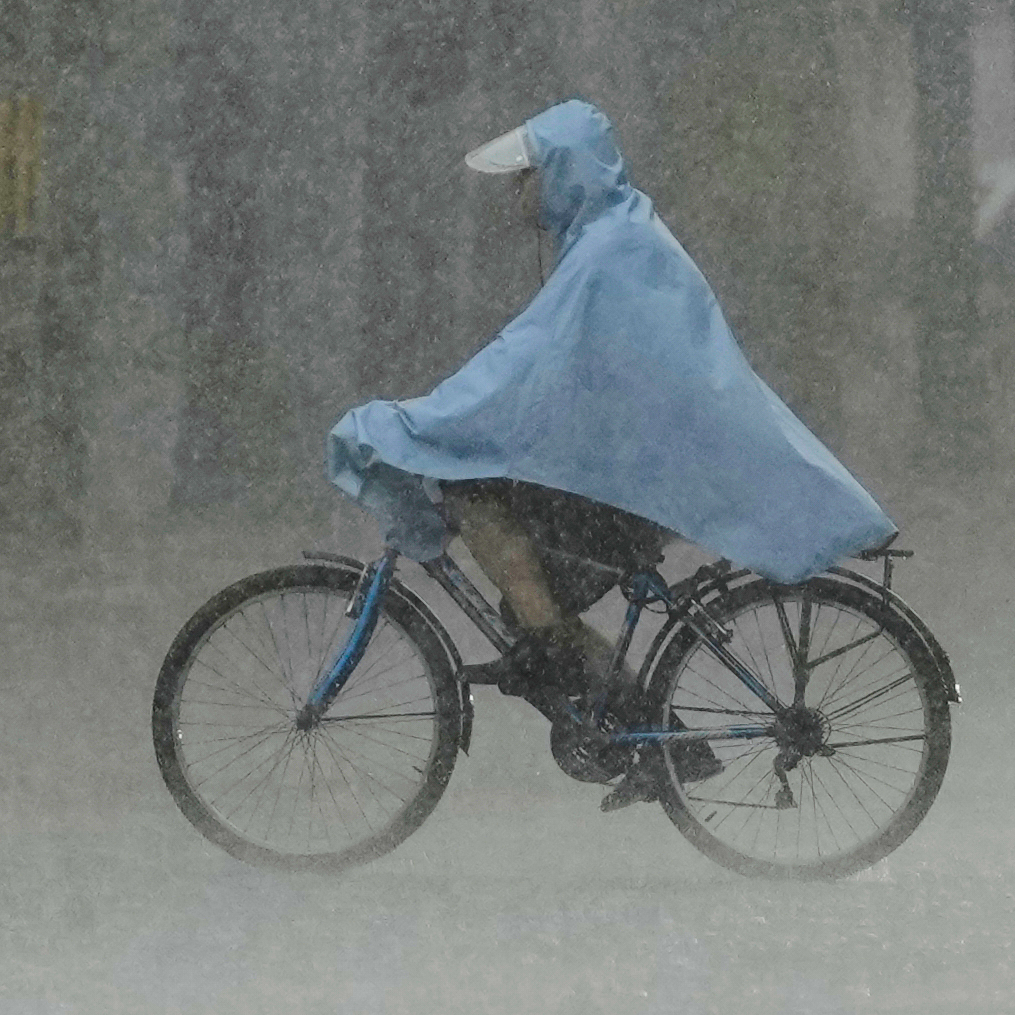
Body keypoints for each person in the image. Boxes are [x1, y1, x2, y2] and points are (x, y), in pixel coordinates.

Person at [326, 99, 896, 774]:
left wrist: (416, 423)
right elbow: (551, 369)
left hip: (643, 481)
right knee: (530, 597)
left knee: (477, 502)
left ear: (560, 174)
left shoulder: (605, 253)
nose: (515, 192)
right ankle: (648, 739)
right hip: (650, 471)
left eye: (523, 176)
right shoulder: (615, 236)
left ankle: (580, 683)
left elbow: (521, 364)